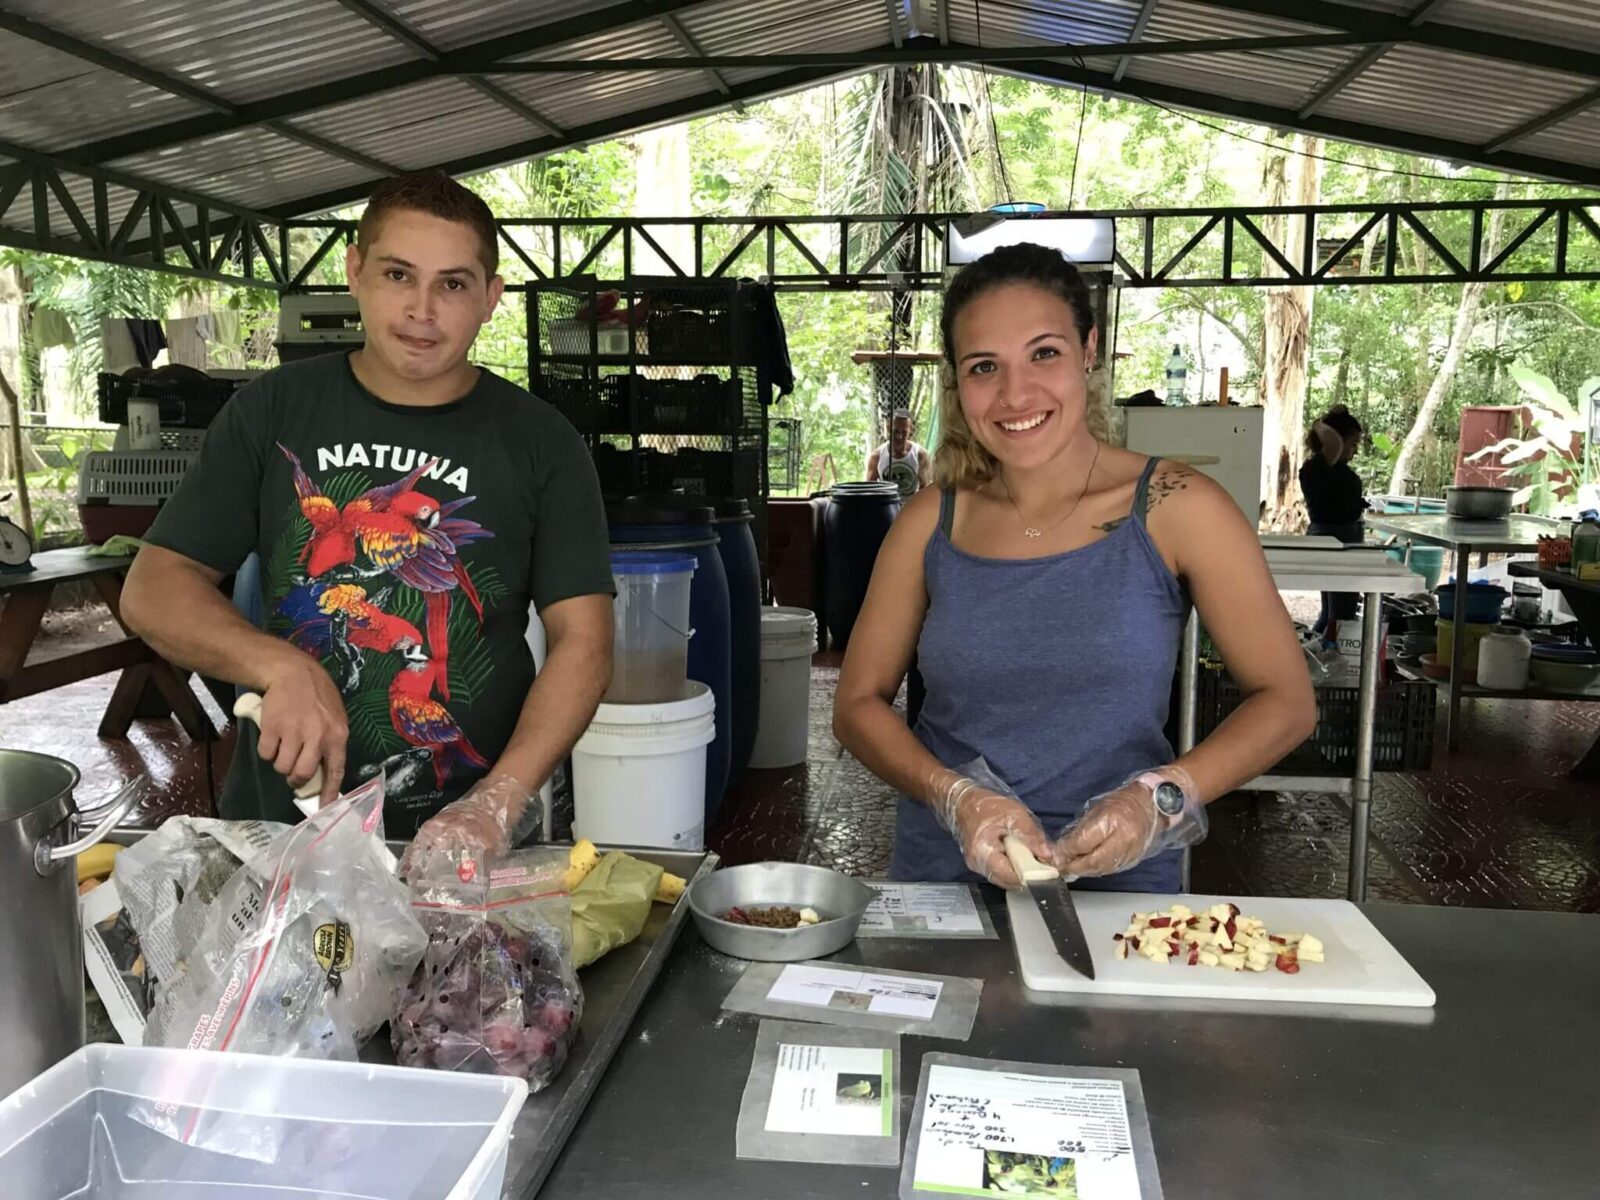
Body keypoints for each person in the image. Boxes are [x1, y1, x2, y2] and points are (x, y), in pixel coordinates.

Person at [122, 171, 615, 867]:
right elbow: (153, 586)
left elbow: (584, 643)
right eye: (397, 274)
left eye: (452, 284)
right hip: (280, 831)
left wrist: (498, 799)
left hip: (472, 842)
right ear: (355, 272)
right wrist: (280, 667)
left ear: (490, 299)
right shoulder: (274, 410)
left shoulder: (542, 441)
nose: (421, 309)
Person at [833, 243, 1316, 891]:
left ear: (1088, 351)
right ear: (958, 380)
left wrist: (1158, 798)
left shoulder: (1178, 507)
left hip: (1120, 883)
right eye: (984, 367)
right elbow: (858, 704)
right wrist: (956, 799)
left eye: (1045, 353)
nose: (1015, 393)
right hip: (946, 878)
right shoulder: (931, 521)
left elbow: (1286, 702)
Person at [1299, 405, 1368, 649]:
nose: (1354, 450)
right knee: (1341, 615)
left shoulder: (1334, 470)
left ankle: (1317, 653)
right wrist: (1322, 424)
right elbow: (1334, 446)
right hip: (1334, 542)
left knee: (1332, 612)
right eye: (1352, 443)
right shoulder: (1317, 468)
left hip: (1341, 540)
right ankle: (1327, 656)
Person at [865, 408, 932, 497]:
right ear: (888, 428)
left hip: (911, 507)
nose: (899, 436)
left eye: (904, 432)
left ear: (910, 430)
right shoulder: (876, 457)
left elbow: (925, 490)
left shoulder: (920, 455)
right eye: (895, 431)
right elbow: (869, 490)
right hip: (886, 507)